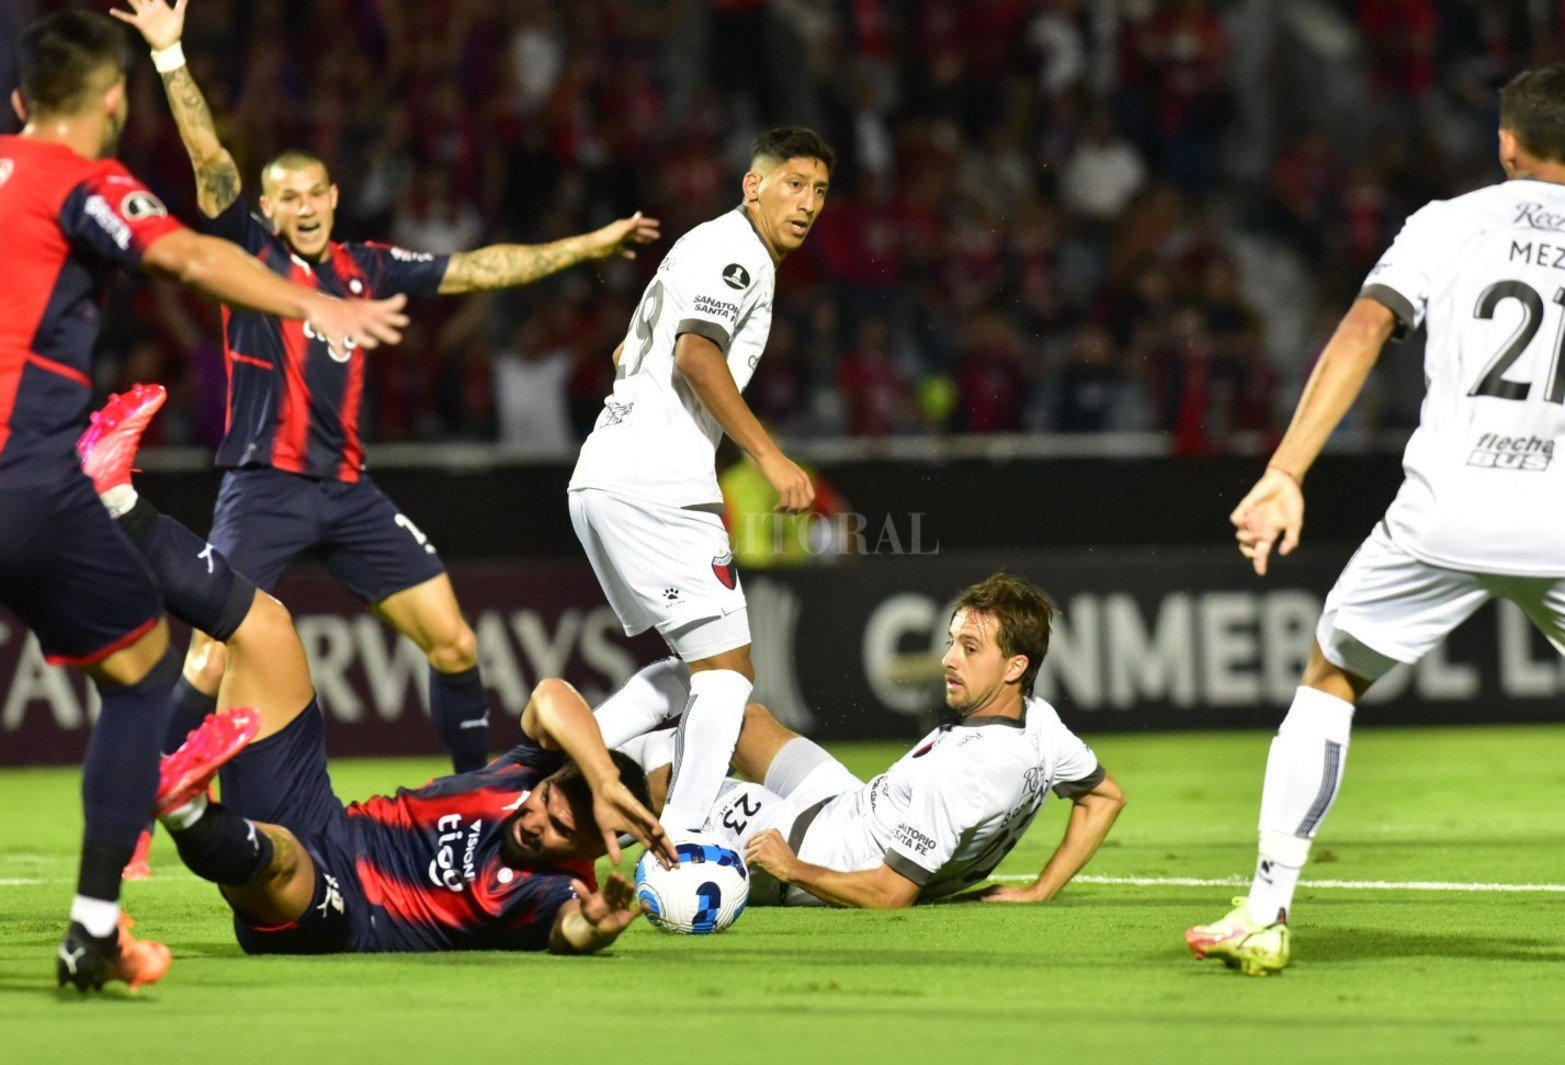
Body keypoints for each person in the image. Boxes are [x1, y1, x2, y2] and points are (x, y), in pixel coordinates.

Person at [112, 0, 661, 775]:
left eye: (315, 193)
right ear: (269, 208)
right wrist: (170, 55)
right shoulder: (250, 255)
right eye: (288, 197)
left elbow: (479, 267)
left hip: (347, 493)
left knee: (455, 641)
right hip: (263, 487)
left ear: (334, 196)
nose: (303, 207)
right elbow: (211, 160)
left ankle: (475, 794)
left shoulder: (366, 265)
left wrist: (587, 246)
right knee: (207, 658)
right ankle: (139, 810)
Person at [0, 9, 408, 991]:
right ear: (111, 101)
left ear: (18, 104)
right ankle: (94, 928)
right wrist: (314, 301)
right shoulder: (82, 180)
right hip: (23, 479)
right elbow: (187, 253)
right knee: (143, 680)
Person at [1186, 65, 1565, 976]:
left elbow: (1360, 331)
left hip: (1445, 512)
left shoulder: (1446, 222)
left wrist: (1284, 471)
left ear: (1504, 143)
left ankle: (1268, 907)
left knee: (1331, 677)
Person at [88, 387, 675, 956]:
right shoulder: (527, 775)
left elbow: (571, 927)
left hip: (343, 909)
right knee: (265, 626)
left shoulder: (555, 891)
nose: (536, 821)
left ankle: (185, 807)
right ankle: (114, 501)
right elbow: (551, 695)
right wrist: (597, 775)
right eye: (547, 800)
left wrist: (596, 928)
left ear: (595, 848)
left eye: (560, 830)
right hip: (325, 817)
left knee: (283, 858)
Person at [569, 126, 833, 835]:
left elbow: (641, 343)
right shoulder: (739, 253)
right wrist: (769, 457)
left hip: (605, 475)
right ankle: (681, 841)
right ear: (754, 184)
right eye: (793, 183)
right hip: (655, 482)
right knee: (727, 675)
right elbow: (695, 354)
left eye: (818, 190)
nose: (807, 202)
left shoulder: (706, 243)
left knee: (698, 669)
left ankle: (547, 772)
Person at [616, 574, 1127, 908]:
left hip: (816, 852)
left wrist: (793, 867)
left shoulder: (965, 773)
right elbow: (1105, 797)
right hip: (847, 804)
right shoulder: (1041, 722)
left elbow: (890, 893)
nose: (948, 658)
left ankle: (566, 806)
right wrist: (1041, 891)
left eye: (970, 648)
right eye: (951, 641)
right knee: (744, 719)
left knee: (664, 768)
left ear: (1016, 666)